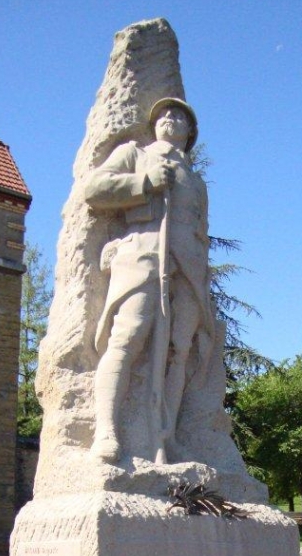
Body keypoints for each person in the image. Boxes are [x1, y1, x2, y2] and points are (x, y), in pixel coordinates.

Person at [84, 97, 215, 463]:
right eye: (164, 114)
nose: (171, 119)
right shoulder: (135, 154)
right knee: (127, 337)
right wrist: (144, 182)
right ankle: (106, 431)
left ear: (190, 133)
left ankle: (165, 435)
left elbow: (200, 232)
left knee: (179, 354)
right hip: (144, 255)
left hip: (187, 271)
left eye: (180, 117)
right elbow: (93, 188)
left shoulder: (197, 183)